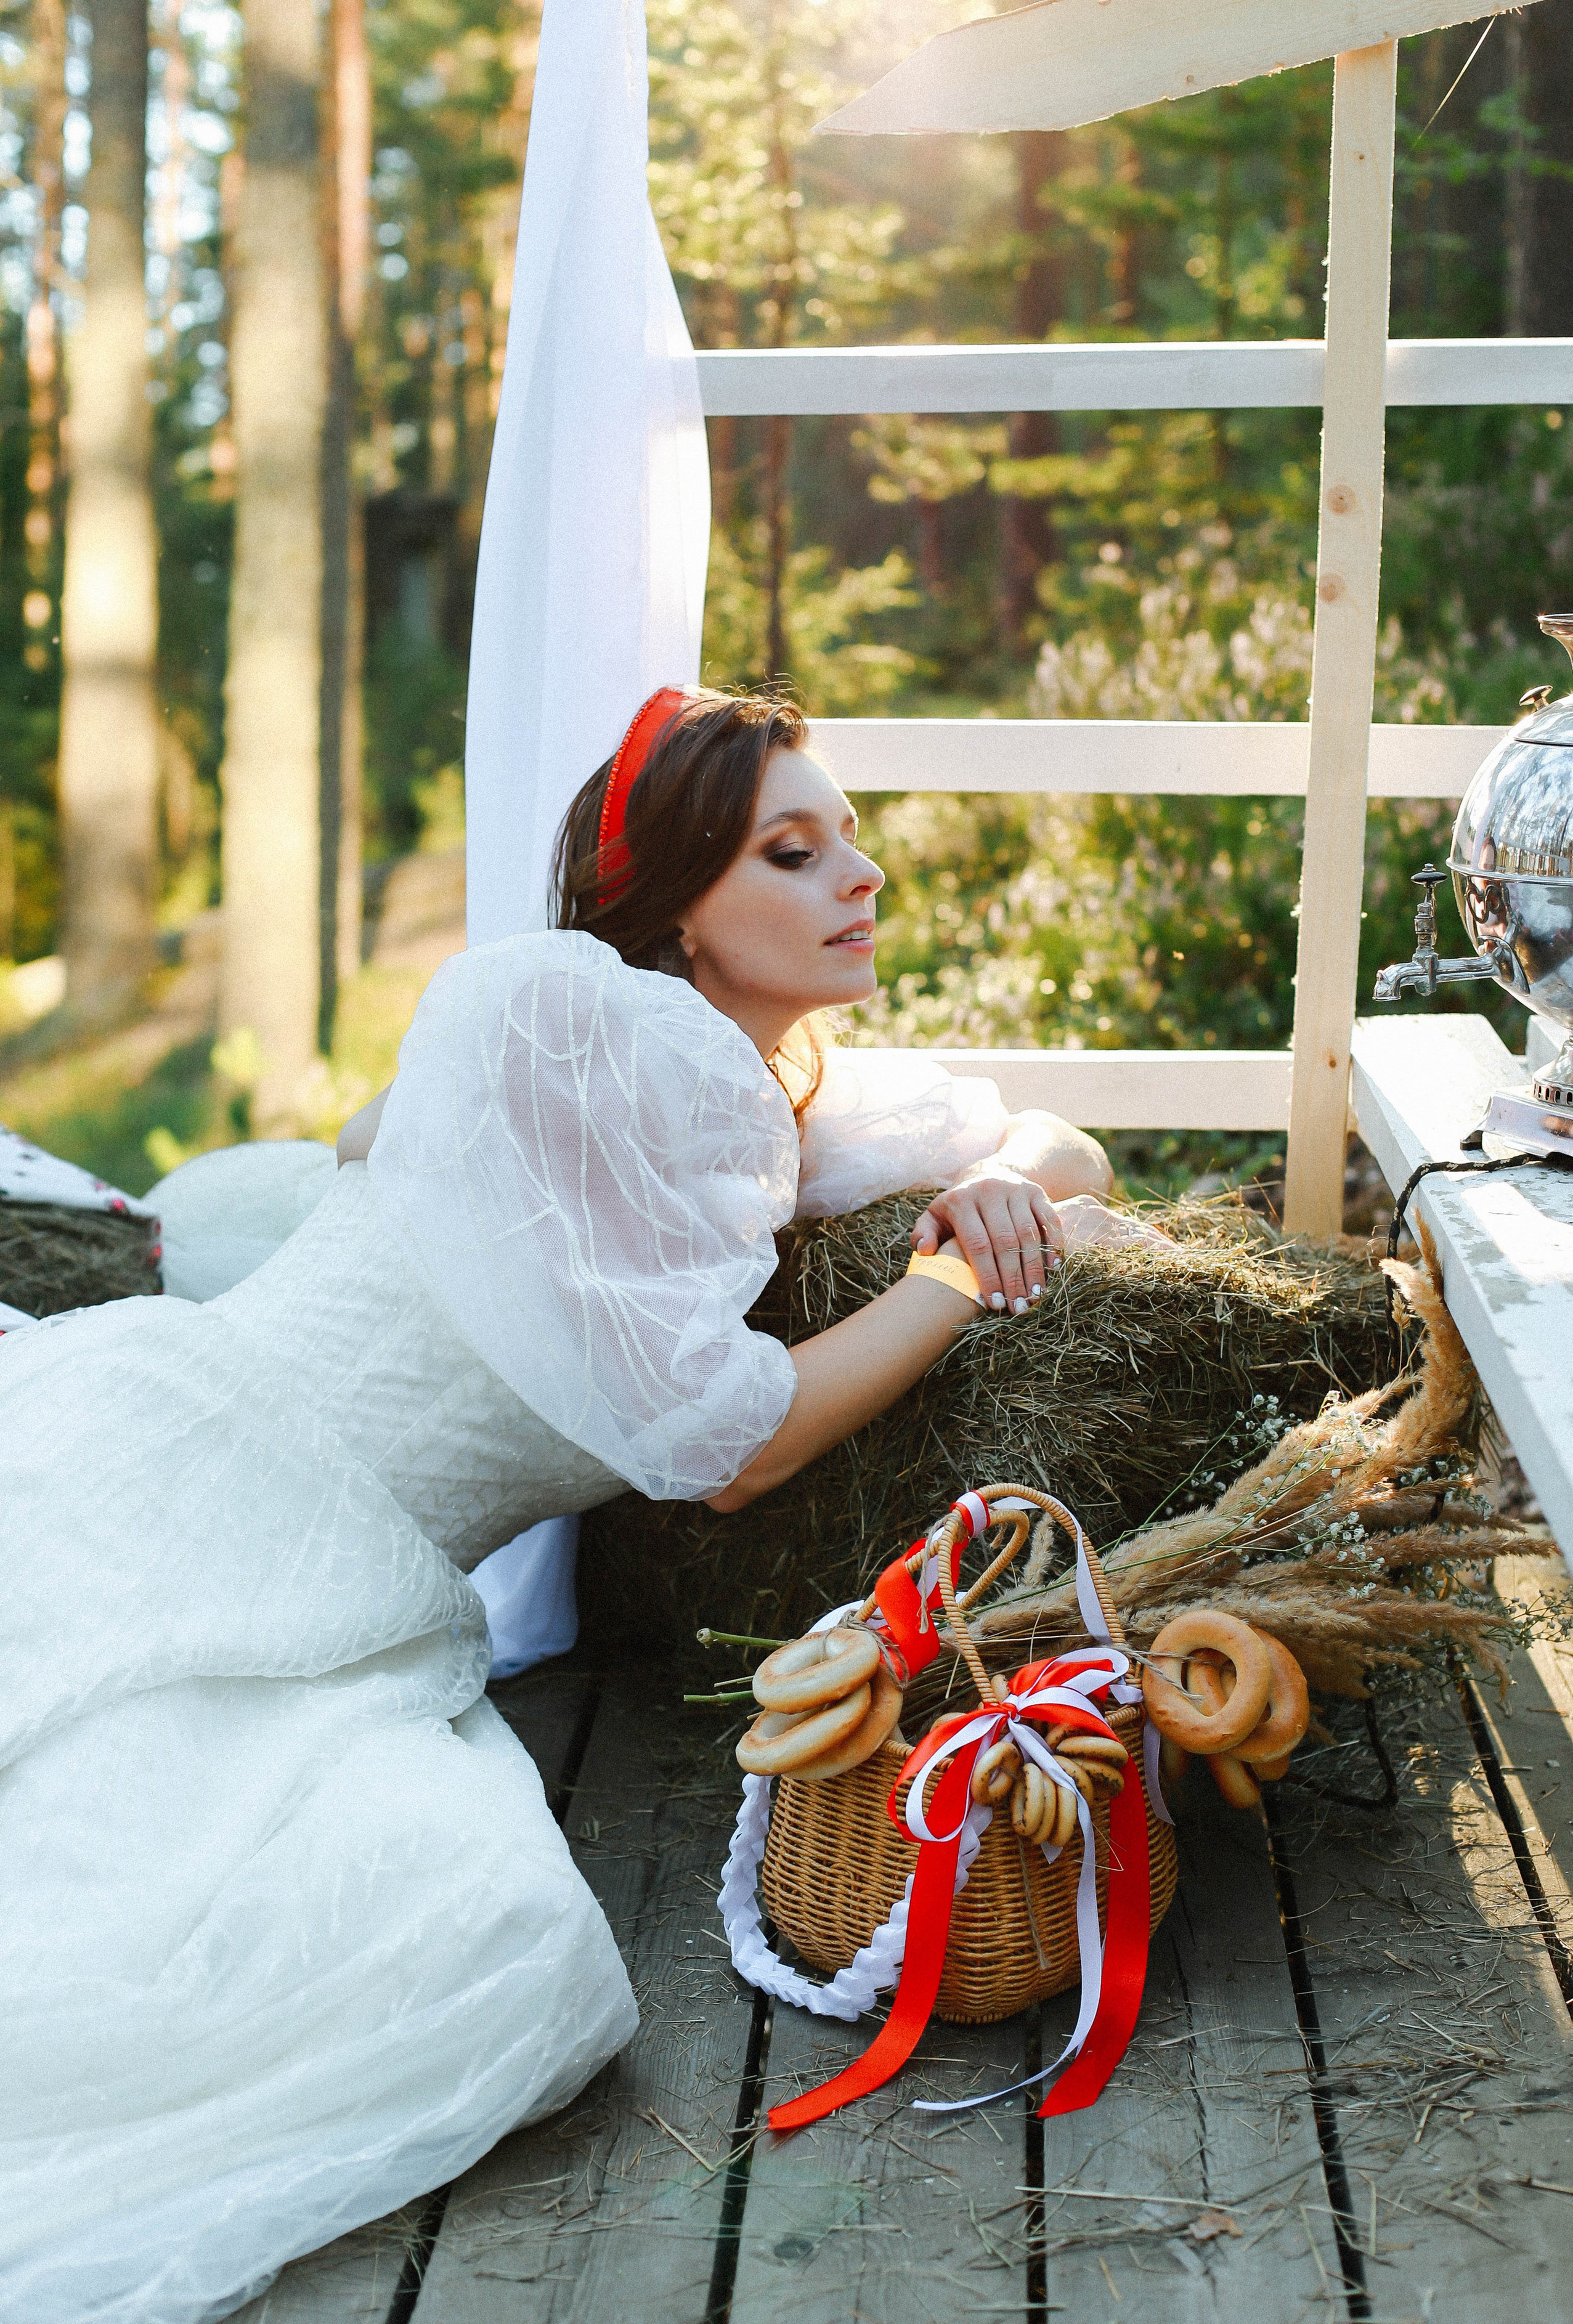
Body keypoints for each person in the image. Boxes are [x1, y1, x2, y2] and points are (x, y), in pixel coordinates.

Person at [1, 686, 1130, 2324]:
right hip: (228, 1497)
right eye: (794, 854)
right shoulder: (609, 1031)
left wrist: (1014, 1175)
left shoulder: (753, 1075)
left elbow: (1061, 1137)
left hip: (321, 1551)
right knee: (460, 1952)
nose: (859, 876)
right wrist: (956, 1278)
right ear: (675, 908)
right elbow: (729, 1444)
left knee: (477, 1946)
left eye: (851, 839)